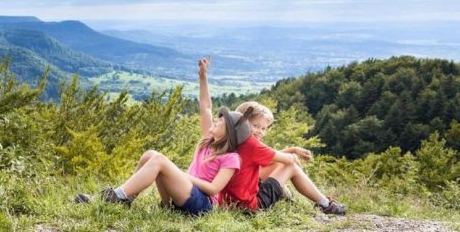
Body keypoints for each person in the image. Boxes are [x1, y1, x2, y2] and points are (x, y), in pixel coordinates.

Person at [75, 57, 250, 216]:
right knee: (150, 154)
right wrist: (203, 76)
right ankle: (127, 198)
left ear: (230, 133)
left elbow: (213, 189)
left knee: (159, 160)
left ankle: (115, 197)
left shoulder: (231, 158)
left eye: (222, 121)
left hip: (203, 204)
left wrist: (183, 175)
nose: (217, 120)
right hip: (185, 193)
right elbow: (205, 107)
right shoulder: (208, 142)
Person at [238, 101, 347, 215]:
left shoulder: (238, 141)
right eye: (255, 126)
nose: (259, 131)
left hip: (236, 199)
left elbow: (270, 157)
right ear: (243, 123)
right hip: (252, 206)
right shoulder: (253, 145)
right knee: (291, 167)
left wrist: (292, 150)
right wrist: (294, 159)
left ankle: (286, 195)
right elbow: (288, 160)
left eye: (263, 128)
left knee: (279, 164)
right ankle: (325, 205)